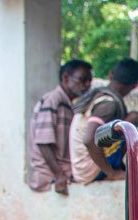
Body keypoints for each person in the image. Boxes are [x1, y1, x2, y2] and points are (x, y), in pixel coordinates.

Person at [69, 58, 138, 184]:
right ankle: (111, 170)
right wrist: (111, 173)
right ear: (135, 85)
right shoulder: (108, 104)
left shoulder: (98, 95)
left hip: (80, 168)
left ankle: (115, 166)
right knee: (133, 118)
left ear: (111, 74)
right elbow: (89, 139)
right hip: (88, 171)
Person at [29, 59, 92, 194]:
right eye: (82, 79)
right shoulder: (52, 100)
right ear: (65, 78)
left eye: (89, 81)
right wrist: (59, 175)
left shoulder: (70, 105)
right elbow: (43, 142)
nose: (86, 85)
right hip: (49, 178)